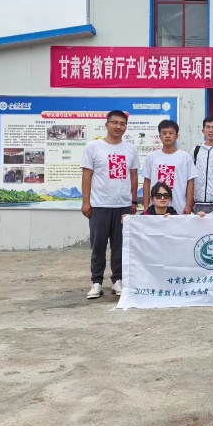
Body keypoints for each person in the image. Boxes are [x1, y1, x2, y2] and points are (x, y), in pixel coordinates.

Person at [81, 110, 139, 299]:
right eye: (114, 122)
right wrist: (86, 202)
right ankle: (96, 282)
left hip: (123, 205)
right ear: (107, 125)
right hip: (99, 205)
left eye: (122, 124)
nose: (118, 127)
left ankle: (117, 280)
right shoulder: (93, 147)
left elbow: (133, 176)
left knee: (120, 246)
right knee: (98, 246)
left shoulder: (130, 149)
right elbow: (87, 175)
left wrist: (133, 201)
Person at [142, 119, 197, 215]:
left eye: (171, 133)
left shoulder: (185, 157)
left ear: (177, 136)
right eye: (164, 133)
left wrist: (188, 206)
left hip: (179, 206)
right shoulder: (151, 157)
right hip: (155, 208)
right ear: (160, 136)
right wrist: (146, 206)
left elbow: (190, 182)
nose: (167, 136)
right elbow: (147, 182)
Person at [192, 116, 213, 214]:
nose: (211, 130)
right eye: (208, 127)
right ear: (203, 131)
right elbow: (190, 176)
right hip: (198, 202)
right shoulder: (196, 150)